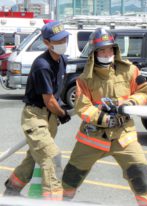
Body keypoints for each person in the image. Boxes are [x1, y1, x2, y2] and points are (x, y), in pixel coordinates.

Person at [62, 28, 147, 205]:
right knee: (70, 177)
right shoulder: (84, 79)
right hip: (92, 138)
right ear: (94, 53)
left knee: (141, 175)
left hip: (123, 136)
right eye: (102, 50)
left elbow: (144, 93)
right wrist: (105, 119)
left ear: (115, 50)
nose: (107, 53)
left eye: (109, 49)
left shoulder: (130, 70)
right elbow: (83, 107)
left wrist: (130, 103)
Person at [3, 21, 71, 200]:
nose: (63, 42)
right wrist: (62, 113)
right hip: (35, 116)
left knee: (34, 157)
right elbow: (49, 100)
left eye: (65, 38)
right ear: (47, 43)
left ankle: (12, 189)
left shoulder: (62, 59)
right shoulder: (42, 65)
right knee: (51, 156)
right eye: (58, 40)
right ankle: (53, 200)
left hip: (49, 118)